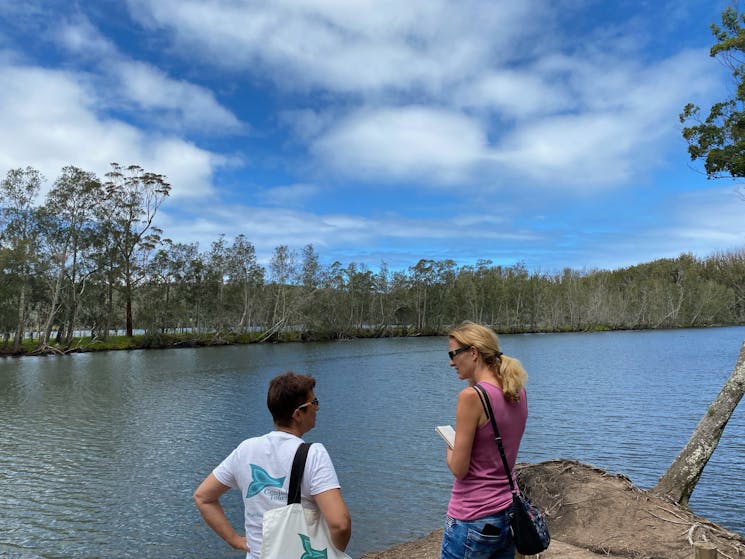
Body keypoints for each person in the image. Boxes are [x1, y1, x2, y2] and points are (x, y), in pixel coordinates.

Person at [194, 371, 351, 558]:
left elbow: (203, 497)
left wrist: (234, 540)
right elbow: (340, 524)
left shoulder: (245, 450)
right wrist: (336, 552)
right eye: (314, 403)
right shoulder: (313, 454)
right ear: (298, 414)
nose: (317, 408)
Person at [441, 321, 529, 559]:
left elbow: (459, 469)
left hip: (472, 517)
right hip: (506, 512)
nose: (451, 362)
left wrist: (450, 444)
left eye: (453, 354)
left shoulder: (471, 397)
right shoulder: (516, 390)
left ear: (473, 353)